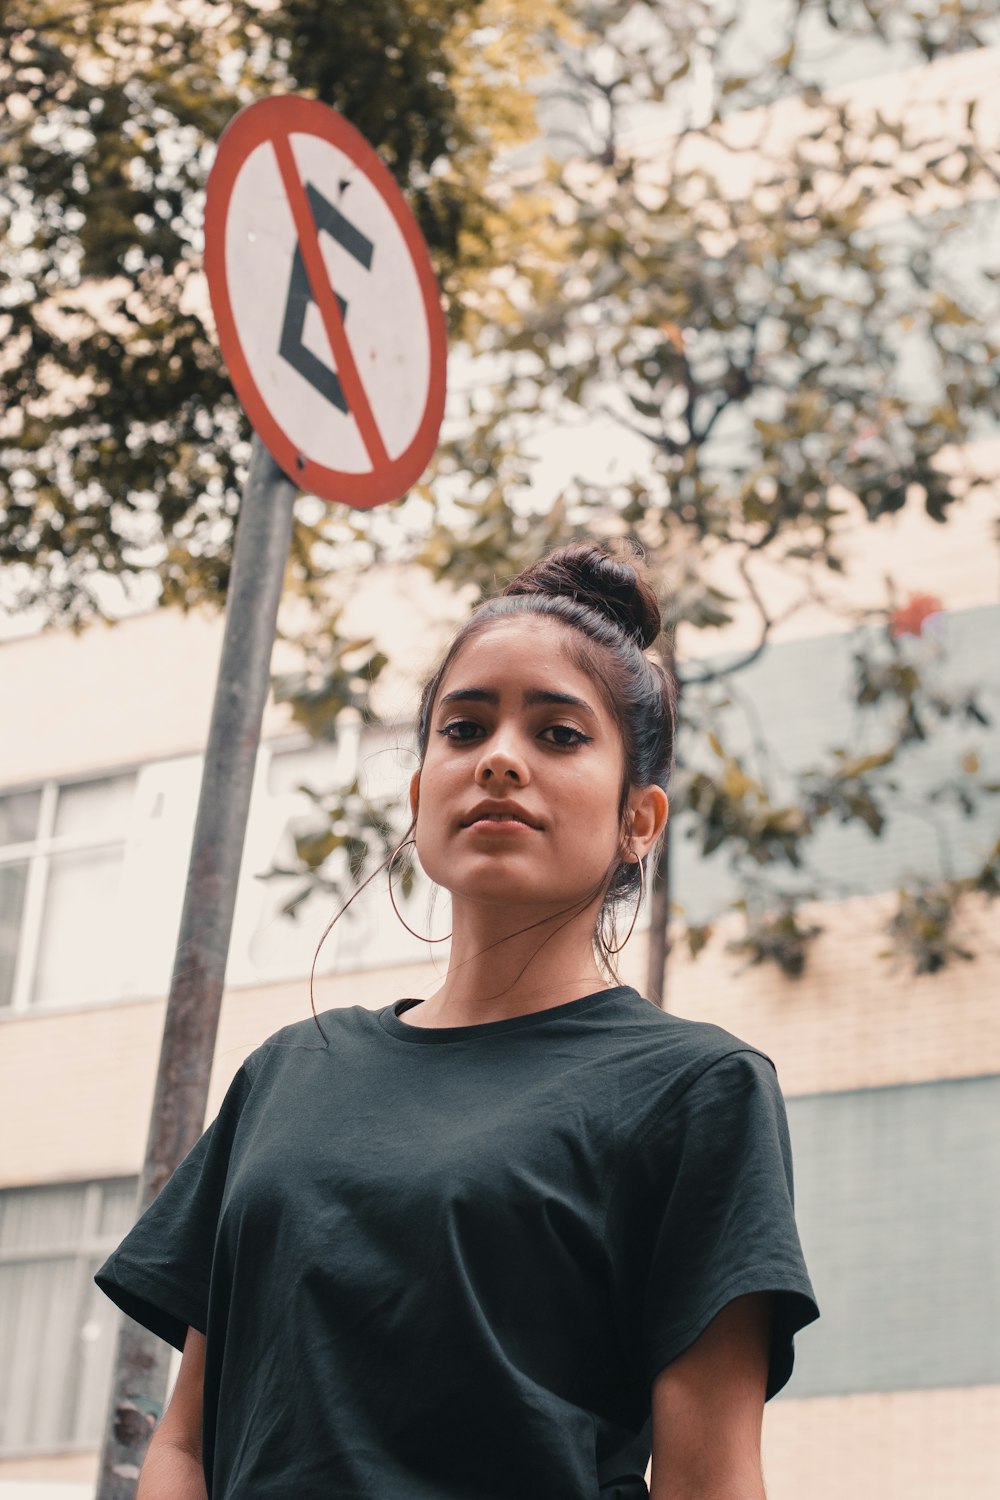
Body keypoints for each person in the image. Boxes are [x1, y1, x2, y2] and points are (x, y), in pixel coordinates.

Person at [96, 543, 818, 1500]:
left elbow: (711, 1480)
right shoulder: (287, 1073)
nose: (501, 761)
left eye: (559, 735)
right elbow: (186, 1443)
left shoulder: (698, 1089)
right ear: (419, 792)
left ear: (638, 820)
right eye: (465, 729)